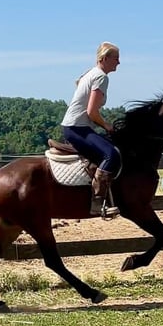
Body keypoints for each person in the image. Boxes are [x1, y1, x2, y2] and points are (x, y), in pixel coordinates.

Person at [61, 41, 121, 217]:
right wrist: (107, 125)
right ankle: (97, 202)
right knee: (112, 154)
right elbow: (92, 112)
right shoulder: (101, 77)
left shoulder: (91, 73)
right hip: (77, 128)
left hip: (75, 126)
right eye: (116, 58)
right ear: (105, 58)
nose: (118, 62)